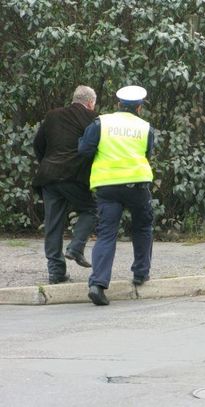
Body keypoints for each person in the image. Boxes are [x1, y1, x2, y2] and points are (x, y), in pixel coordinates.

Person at [79, 85, 155, 306]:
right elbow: (148, 153)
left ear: (118, 105)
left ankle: (98, 284)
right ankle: (141, 273)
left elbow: (84, 150)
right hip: (137, 185)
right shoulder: (145, 127)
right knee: (142, 228)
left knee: (106, 234)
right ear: (139, 108)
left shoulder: (101, 123)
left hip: (107, 186)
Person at [33, 85, 98, 284]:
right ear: (90, 103)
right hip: (74, 176)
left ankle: (56, 272)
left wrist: (48, 162)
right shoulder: (92, 119)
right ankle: (76, 247)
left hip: (49, 176)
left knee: (53, 224)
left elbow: (38, 144)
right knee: (92, 210)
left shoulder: (52, 116)